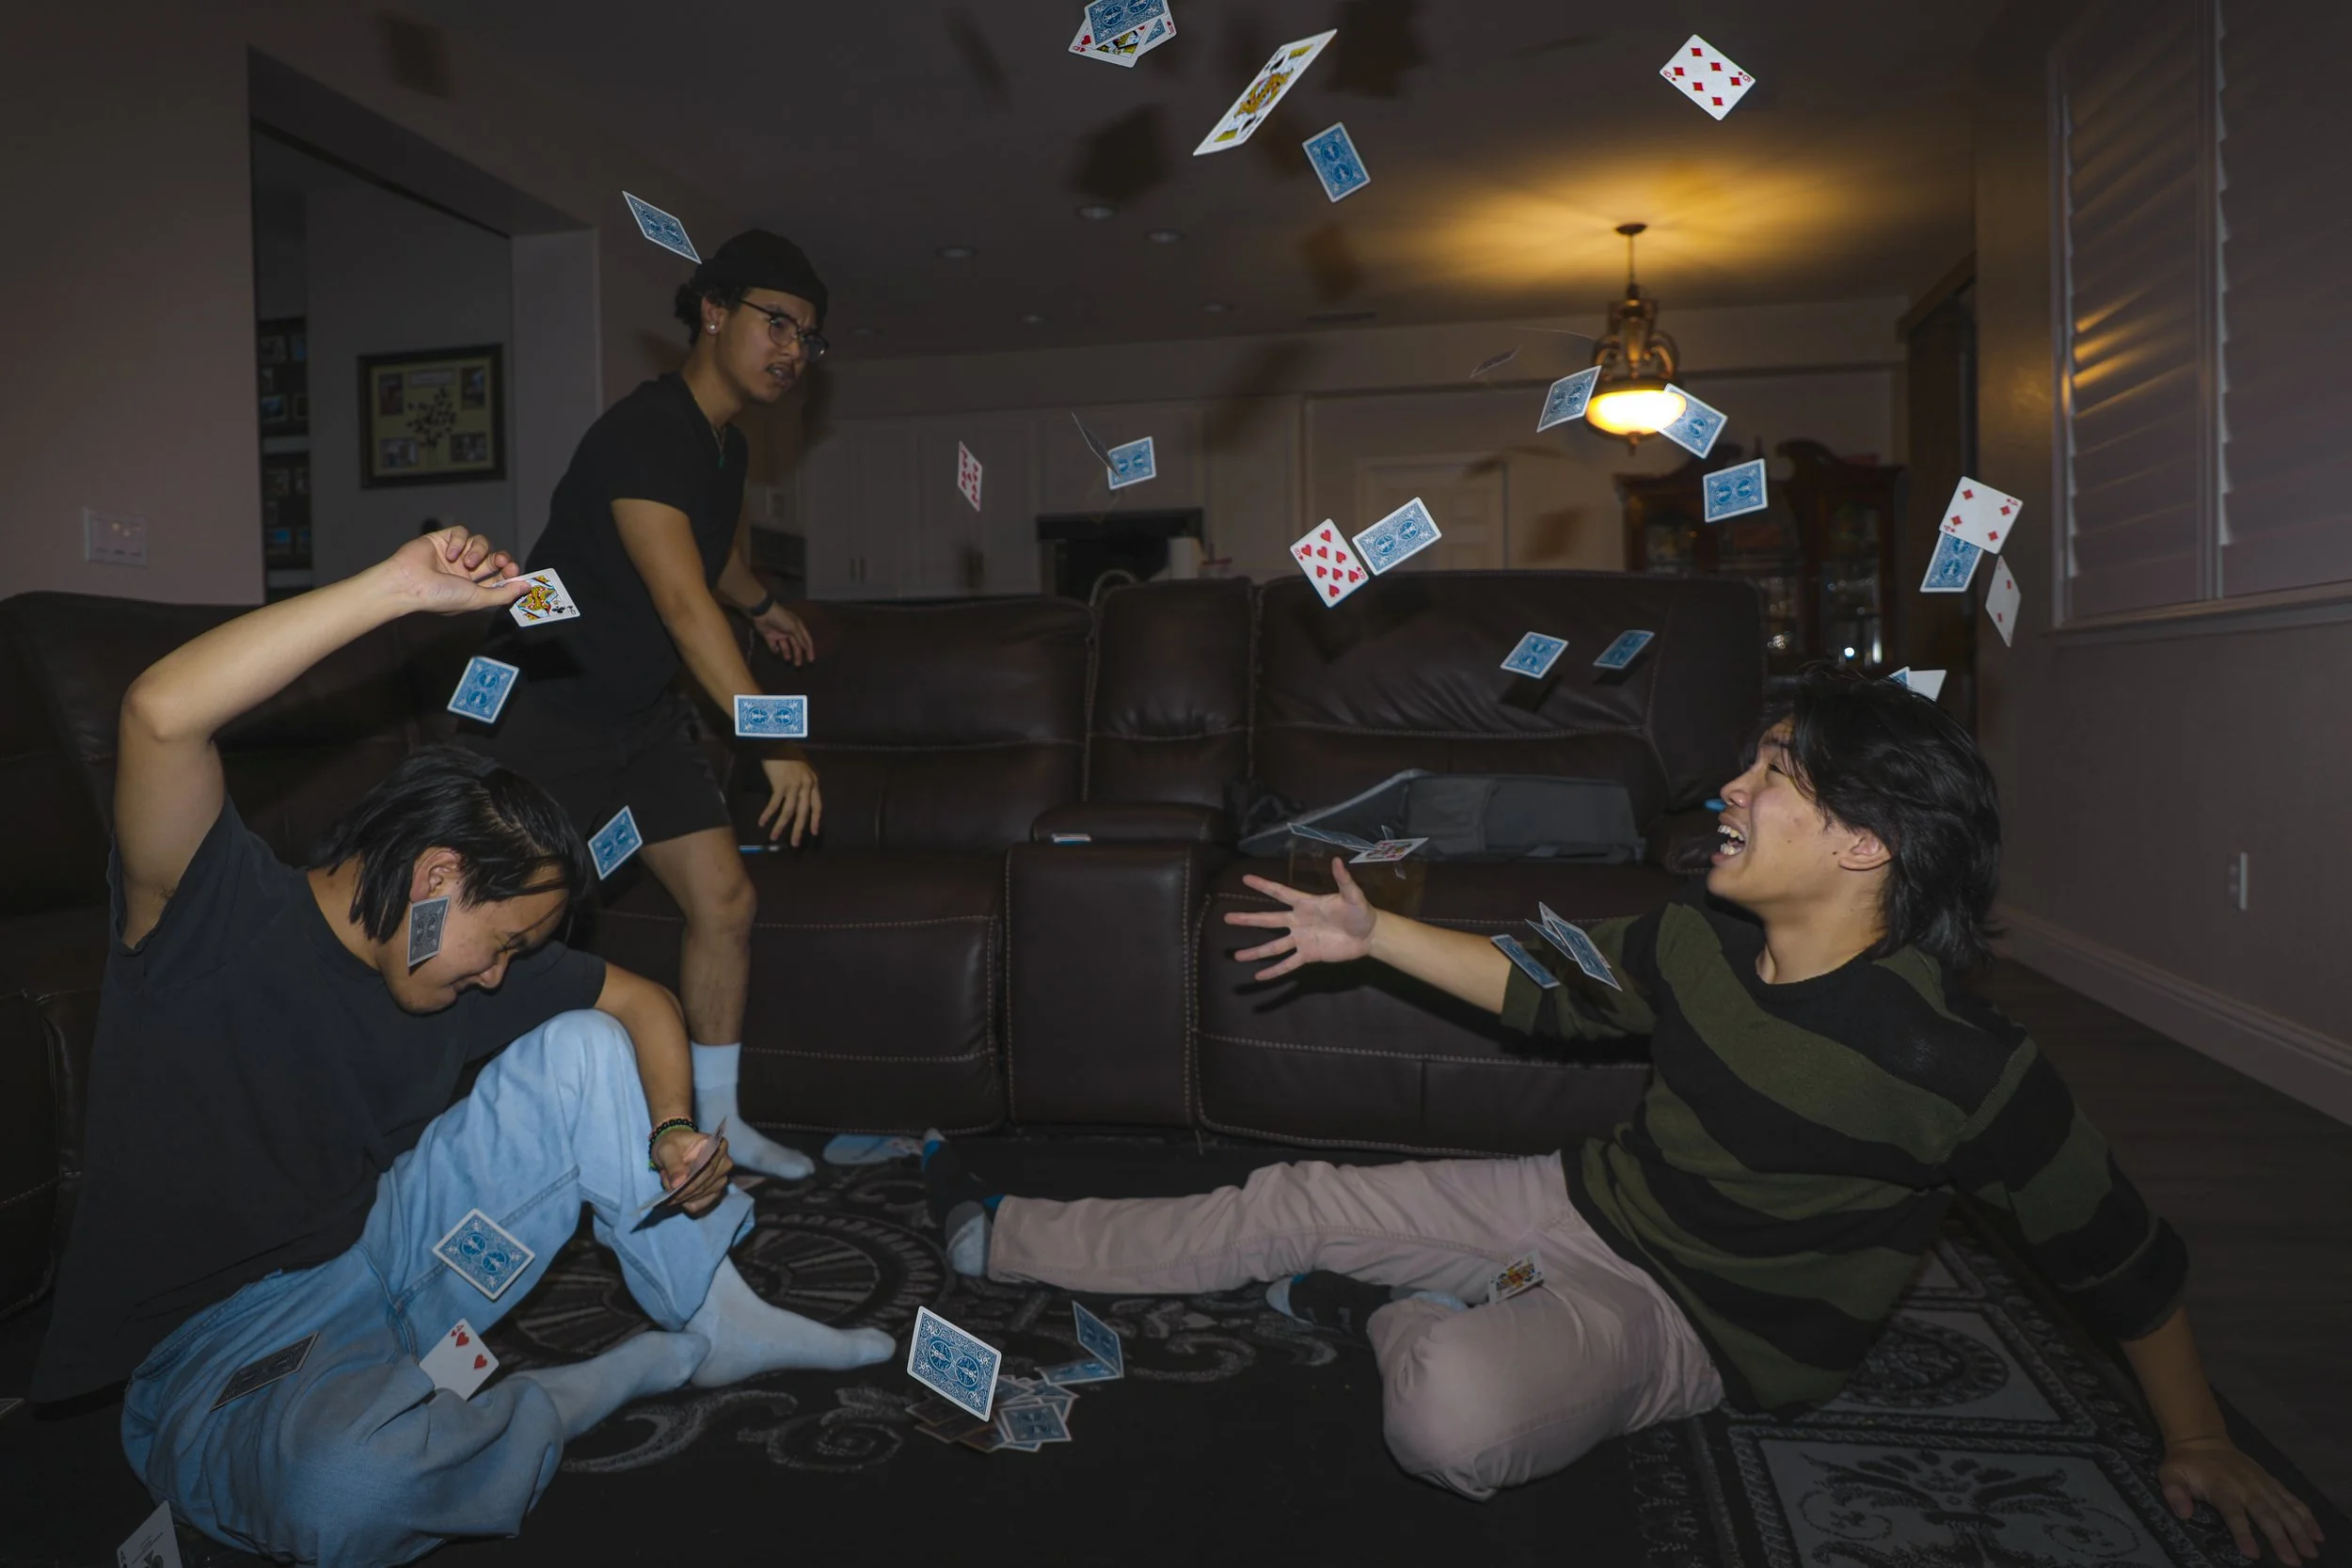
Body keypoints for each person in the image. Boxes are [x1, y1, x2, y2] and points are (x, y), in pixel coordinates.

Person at [923, 666, 2324, 1566]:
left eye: (1773, 772)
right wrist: (1372, 934)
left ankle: (1392, 1309)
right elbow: (1544, 991)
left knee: (1450, 1417)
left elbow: (2120, 1257)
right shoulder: (1695, 937)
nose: (1729, 788)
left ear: (1866, 842)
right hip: (1580, 1198)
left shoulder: (1964, 1064)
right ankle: (1007, 1231)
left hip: (1706, 1326)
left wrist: (2198, 1436)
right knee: (1290, 1192)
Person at [30, 529, 891, 1568]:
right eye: (506, 942)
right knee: (345, 1492)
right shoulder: (215, 915)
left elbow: (644, 1000)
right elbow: (159, 713)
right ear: (438, 877)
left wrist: (671, 1127)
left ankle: (716, 1311)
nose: (500, 975)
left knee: (586, 1041)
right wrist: (395, 589)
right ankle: (559, 1398)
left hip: (396, 1254)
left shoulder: (452, 962)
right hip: (224, 1353)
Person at [466, 228, 833, 1183]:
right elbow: (680, 601)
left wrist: (764, 605)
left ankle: (718, 1125)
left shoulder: (723, 444)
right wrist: (774, 739)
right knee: (508, 922)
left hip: (637, 712)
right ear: (713, 311)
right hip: (545, 701)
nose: (793, 349)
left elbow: (711, 562)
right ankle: (466, 1134)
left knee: (726, 899)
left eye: (808, 337)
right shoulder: (645, 430)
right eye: (777, 323)